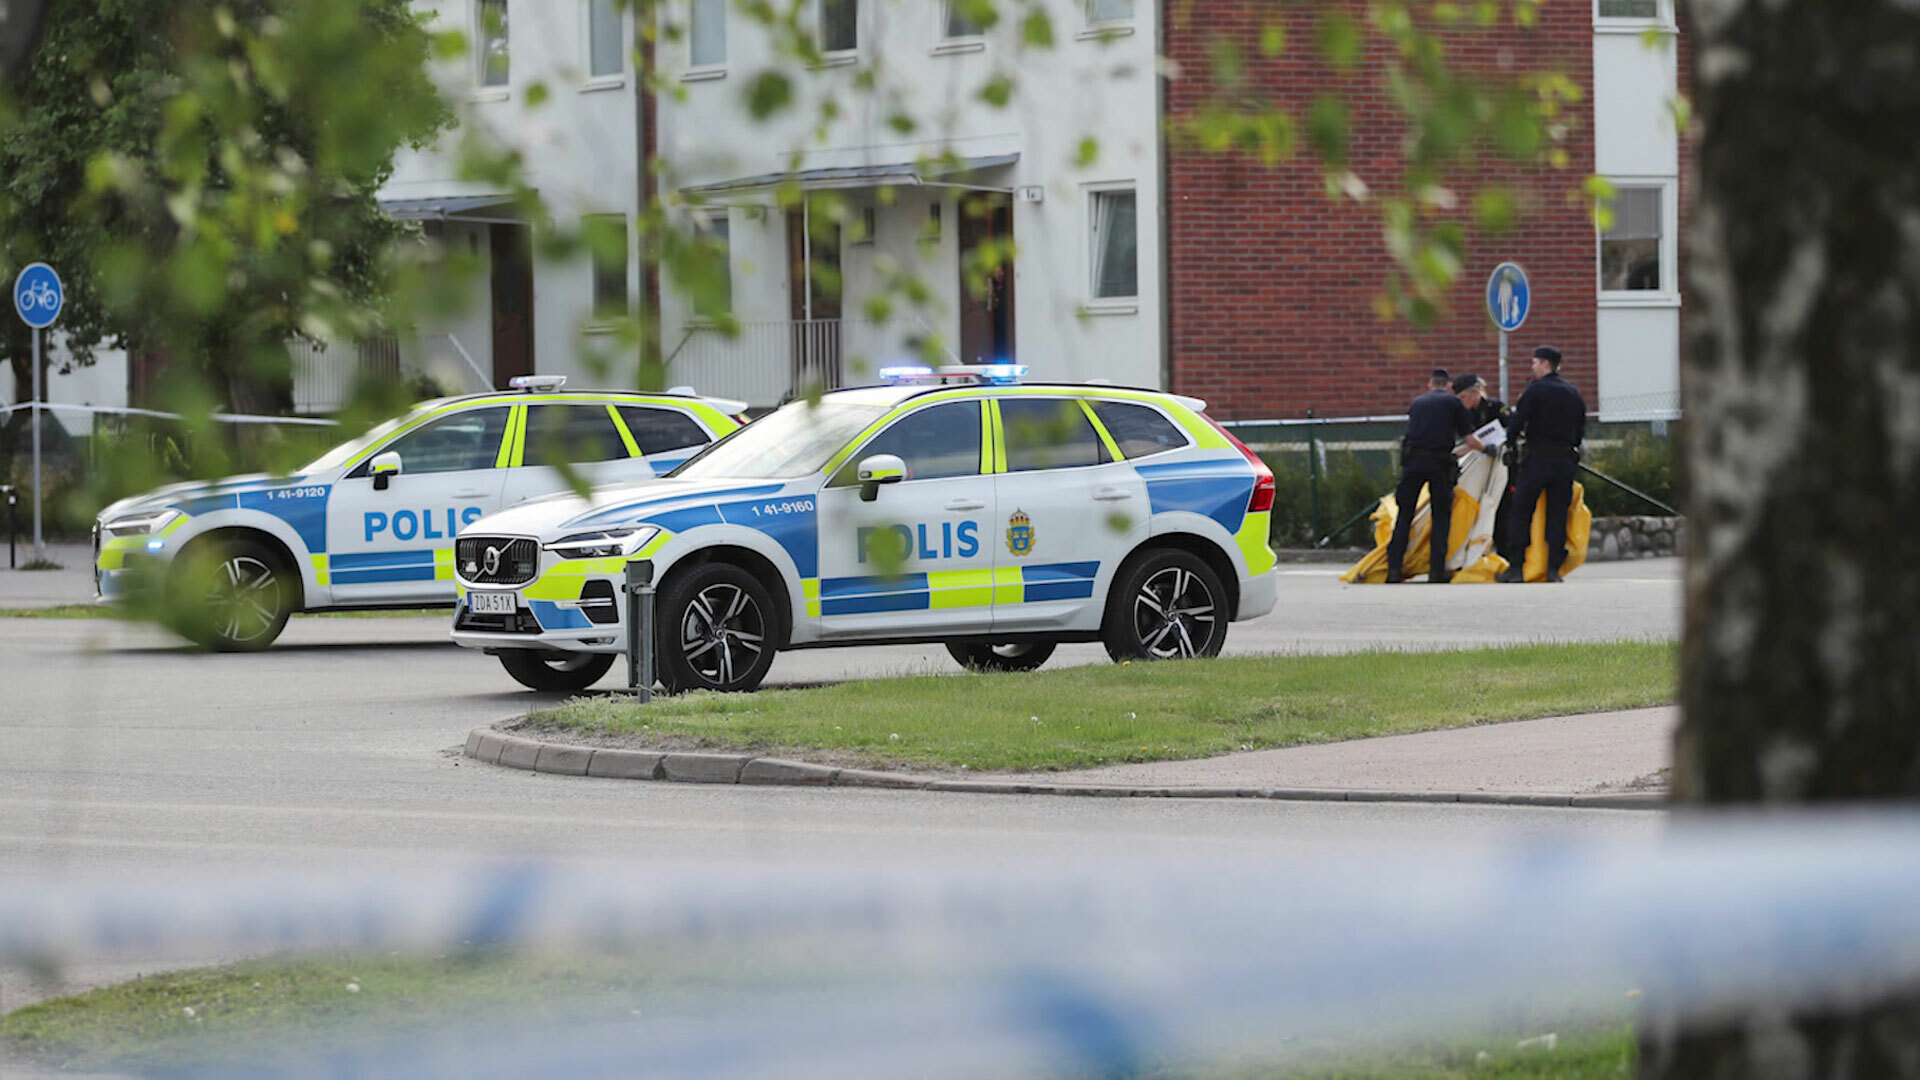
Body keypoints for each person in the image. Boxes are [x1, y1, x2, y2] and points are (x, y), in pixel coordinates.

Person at [1386, 369, 1487, 584]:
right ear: (1449, 386)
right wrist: (1487, 448)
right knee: (1441, 517)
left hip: (1412, 462)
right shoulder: (1454, 404)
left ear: (1429, 385)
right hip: (1439, 463)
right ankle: (1436, 571)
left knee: (1405, 515)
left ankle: (1394, 569)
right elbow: (1469, 440)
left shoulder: (1417, 403)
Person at [1498, 346, 1587, 583]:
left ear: (1546, 364)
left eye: (1535, 363)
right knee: (1557, 514)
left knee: (1521, 510)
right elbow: (1580, 428)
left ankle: (1517, 567)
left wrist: (1509, 441)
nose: (1533, 367)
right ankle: (1553, 570)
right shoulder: (1573, 392)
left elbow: (1517, 423)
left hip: (1537, 458)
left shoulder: (1534, 391)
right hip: (1565, 460)